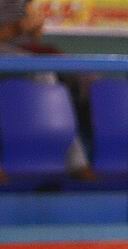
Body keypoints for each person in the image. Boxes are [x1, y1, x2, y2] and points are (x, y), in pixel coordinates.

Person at [0, 0, 96, 185]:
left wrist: (34, 28)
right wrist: (17, 28)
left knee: (85, 78)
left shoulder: (23, 4)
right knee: (43, 71)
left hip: (21, 52)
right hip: (11, 56)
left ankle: (80, 160)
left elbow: (33, 38)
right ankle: (76, 163)